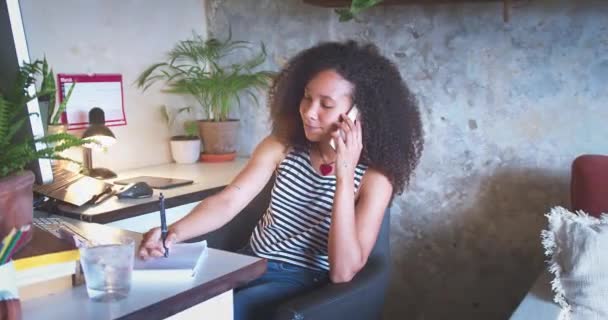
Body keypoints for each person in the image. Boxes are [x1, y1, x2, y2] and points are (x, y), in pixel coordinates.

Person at [138, 40, 424, 319]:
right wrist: (172, 233)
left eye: (326, 104)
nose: (309, 112)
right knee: (164, 303)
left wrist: (344, 174)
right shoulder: (281, 145)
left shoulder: (375, 179)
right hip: (248, 263)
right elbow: (228, 200)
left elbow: (342, 271)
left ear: (358, 115)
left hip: (301, 279)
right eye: (307, 97)